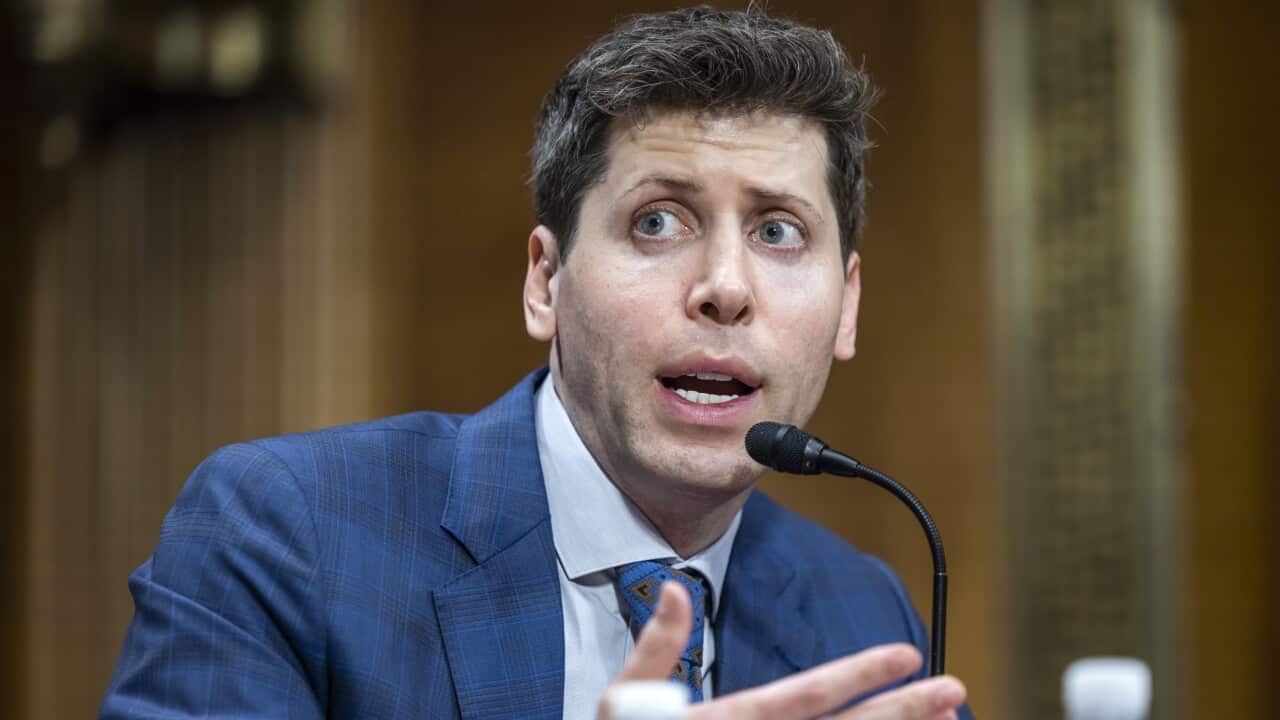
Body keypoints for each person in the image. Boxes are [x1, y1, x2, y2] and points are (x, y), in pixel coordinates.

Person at [101, 7, 972, 720]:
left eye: (778, 231)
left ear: (847, 305)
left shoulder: (862, 614)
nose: (724, 288)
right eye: (659, 221)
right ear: (545, 282)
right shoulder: (287, 533)